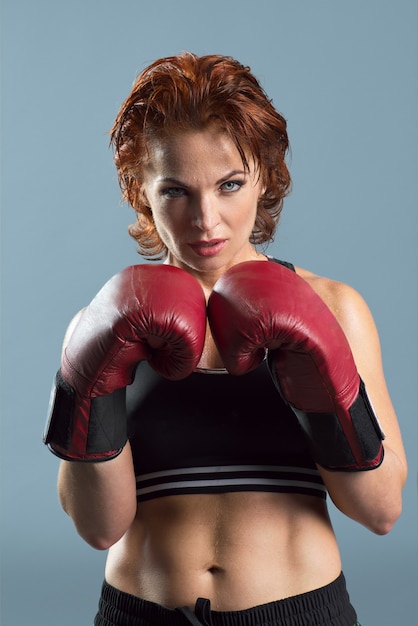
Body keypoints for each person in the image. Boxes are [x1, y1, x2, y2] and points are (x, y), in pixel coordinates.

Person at [44, 52, 407, 626]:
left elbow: (381, 510)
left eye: (229, 184)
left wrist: (323, 381)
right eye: (176, 192)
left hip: (296, 612)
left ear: (263, 174)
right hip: (141, 613)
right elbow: (98, 528)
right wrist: (89, 372)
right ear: (141, 189)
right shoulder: (104, 324)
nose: (206, 219)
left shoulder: (333, 307)